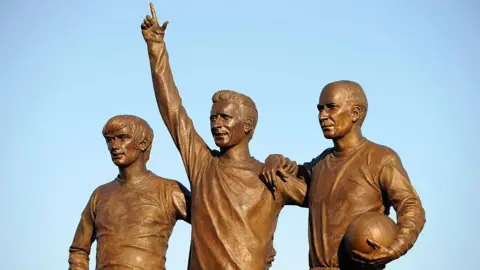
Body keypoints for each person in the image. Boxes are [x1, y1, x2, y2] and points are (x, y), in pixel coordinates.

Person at [141, 3, 307, 269]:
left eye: (225, 117)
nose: (217, 124)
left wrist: (284, 161)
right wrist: (156, 48)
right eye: (213, 118)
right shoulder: (203, 165)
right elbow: (172, 110)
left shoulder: (271, 176)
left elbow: (322, 197)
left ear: (248, 125)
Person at [261, 80, 426, 269]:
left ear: (355, 113)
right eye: (320, 109)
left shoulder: (381, 158)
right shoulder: (320, 164)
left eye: (331, 107)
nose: (323, 116)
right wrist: (276, 159)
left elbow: (411, 206)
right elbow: (291, 173)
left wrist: (397, 247)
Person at [68, 115, 190, 270]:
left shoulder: (169, 190)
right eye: (109, 140)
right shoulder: (100, 195)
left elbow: (210, 224)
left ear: (143, 143)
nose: (114, 146)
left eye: (122, 138)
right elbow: (79, 250)